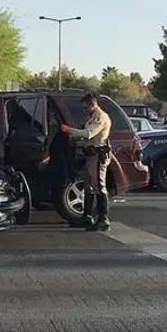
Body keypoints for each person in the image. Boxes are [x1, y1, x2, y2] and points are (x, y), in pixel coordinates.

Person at [60, 94, 113, 231]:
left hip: (98, 155)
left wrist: (69, 130)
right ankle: (87, 217)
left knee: (99, 186)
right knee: (89, 186)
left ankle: (103, 219)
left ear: (92, 105)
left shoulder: (100, 117)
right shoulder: (92, 117)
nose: (84, 110)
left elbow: (89, 134)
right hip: (90, 155)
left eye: (86, 107)